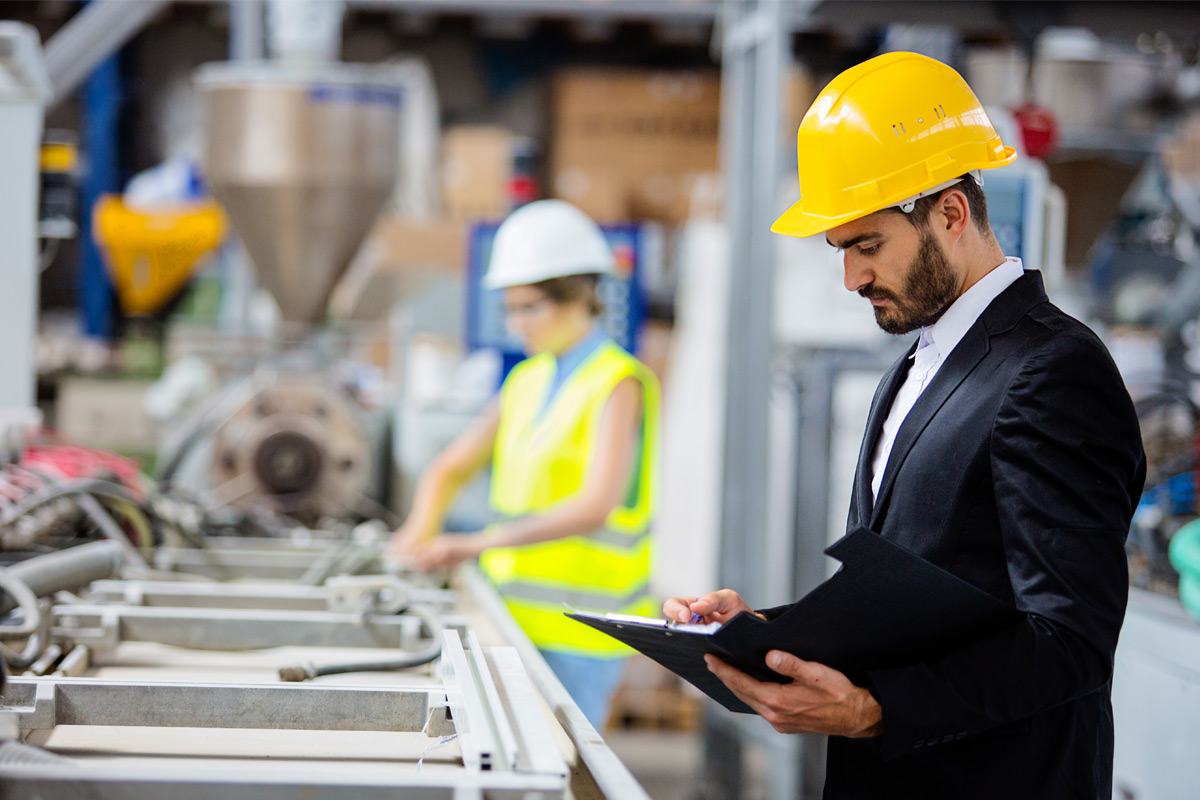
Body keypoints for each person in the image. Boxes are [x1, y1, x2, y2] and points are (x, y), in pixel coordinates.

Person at [664, 52, 1146, 798]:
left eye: (867, 245)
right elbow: (925, 598)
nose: (852, 278)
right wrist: (765, 632)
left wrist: (874, 709)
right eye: (841, 251)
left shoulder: (1053, 371)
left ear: (950, 212)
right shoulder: (915, 370)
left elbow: (1069, 641)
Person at [392, 199, 659, 729]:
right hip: (512, 619)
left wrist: (472, 544)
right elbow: (449, 467)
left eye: (531, 308)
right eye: (510, 309)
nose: (517, 325)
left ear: (581, 297)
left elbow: (595, 506)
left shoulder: (618, 382)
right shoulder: (526, 380)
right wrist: (415, 535)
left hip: (583, 633)